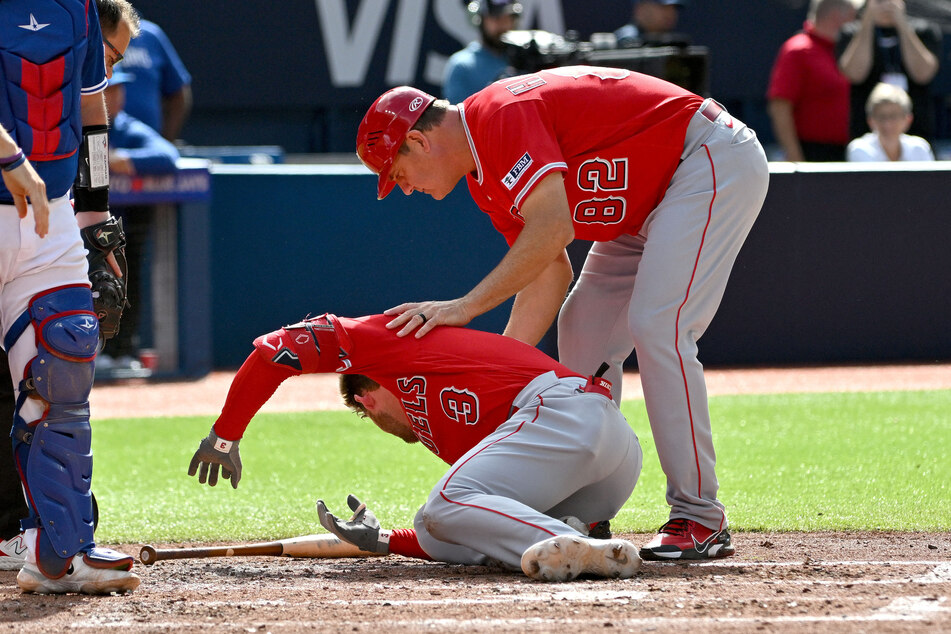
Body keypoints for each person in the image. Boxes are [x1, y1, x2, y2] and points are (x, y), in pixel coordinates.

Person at [355, 66, 770, 561]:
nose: (403, 187)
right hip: (644, 208)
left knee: (661, 325)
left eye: (397, 174)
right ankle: (587, 504)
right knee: (582, 333)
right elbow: (549, 273)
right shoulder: (484, 179)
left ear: (419, 143)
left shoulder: (498, 116)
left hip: (704, 159)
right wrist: (498, 373)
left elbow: (553, 228)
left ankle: (700, 516)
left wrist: (464, 308)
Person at [187, 313, 644, 582]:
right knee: (436, 522)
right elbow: (448, 529)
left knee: (445, 503)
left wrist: (225, 435)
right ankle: (580, 539)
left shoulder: (393, 342)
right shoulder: (449, 435)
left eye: (366, 414)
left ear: (365, 398)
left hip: (566, 411)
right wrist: (388, 543)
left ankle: (575, 541)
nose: (377, 423)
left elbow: (277, 350)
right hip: (610, 462)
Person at [0, 0, 141, 593]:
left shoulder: (81, 6)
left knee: (64, 364)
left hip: (50, 215)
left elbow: (90, 107)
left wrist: (95, 212)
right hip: (11, 184)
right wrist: (9, 155)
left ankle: (58, 550)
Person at [97, 67, 181, 377]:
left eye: (118, 90)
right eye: (107, 90)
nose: (114, 97)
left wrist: (122, 160)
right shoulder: (73, 125)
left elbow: (167, 156)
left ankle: (121, 349)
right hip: (75, 229)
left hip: (120, 225)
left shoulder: (127, 128)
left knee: (125, 274)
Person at [766, 0, 858, 162]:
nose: (857, 23)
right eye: (853, 17)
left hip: (848, 151)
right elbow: (780, 107)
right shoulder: (798, 50)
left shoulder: (844, 49)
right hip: (812, 152)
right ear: (837, 17)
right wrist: (795, 156)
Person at [837, 0, 941, 142]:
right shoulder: (851, 32)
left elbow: (923, 74)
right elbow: (855, 74)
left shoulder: (924, 31)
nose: (885, 5)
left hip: (917, 132)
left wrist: (902, 23)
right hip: (867, 136)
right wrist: (867, 20)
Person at [118, 16, 192, 142]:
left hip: (150, 144)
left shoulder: (151, 35)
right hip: (103, 145)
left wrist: (166, 141)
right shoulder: (87, 33)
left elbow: (178, 92)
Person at [442, 0, 521, 104]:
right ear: (480, 20)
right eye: (496, 18)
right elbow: (458, 118)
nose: (504, 25)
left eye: (508, 18)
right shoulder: (461, 66)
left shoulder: (526, 59)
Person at [846, 82, 934, 161]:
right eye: (881, 117)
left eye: (894, 116)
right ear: (870, 120)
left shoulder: (920, 148)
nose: (887, 124)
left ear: (908, 119)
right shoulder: (859, 149)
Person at [614, 0, 690, 48]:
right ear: (641, 8)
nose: (669, 13)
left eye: (673, 8)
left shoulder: (673, 42)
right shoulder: (626, 39)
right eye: (663, 7)